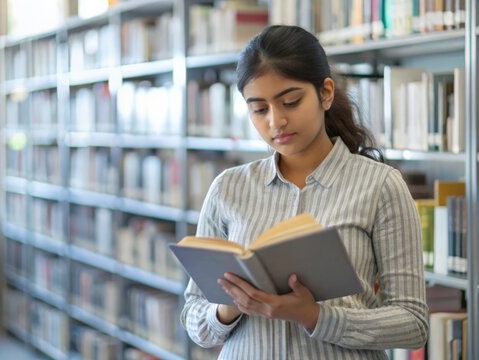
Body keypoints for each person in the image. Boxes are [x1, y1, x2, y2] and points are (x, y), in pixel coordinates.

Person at [180, 25, 428, 359]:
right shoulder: (228, 187)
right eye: (259, 109)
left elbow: (412, 323)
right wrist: (229, 308)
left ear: (325, 93)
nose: (276, 121)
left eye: (291, 102)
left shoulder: (381, 186)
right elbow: (194, 319)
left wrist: (315, 316)